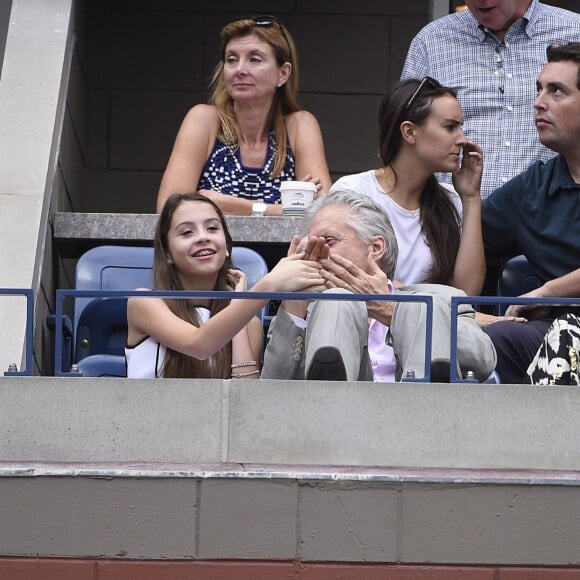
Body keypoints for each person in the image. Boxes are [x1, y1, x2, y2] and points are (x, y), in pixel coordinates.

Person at [261, 190, 496, 383]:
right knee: (337, 302)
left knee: (425, 309)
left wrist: (393, 312)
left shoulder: (444, 297)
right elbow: (269, 394)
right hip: (337, 429)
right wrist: (294, 304)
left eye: (328, 241)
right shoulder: (301, 311)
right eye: (308, 245)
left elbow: (482, 361)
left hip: (418, 423)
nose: (315, 252)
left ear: (375, 248)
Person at [126, 192, 325, 378]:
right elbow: (199, 345)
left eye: (212, 228)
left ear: (227, 246)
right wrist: (268, 285)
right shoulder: (144, 302)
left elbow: (244, 397)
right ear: (168, 253)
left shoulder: (249, 324)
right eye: (187, 232)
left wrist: (237, 305)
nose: (203, 237)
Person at [401, 0, 580, 198]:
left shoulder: (573, 31)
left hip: (554, 220)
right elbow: (404, 142)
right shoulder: (431, 41)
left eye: (555, 90)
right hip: (450, 220)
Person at [156, 15, 331, 216]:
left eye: (254, 60)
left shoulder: (300, 125)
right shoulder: (204, 120)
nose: (239, 69)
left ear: (283, 73)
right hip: (214, 248)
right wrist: (284, 211)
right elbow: (169, 209)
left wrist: (227, 204)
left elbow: (322, 213)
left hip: (286, 248)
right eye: (231, 60)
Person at [481, 42, 580, 384]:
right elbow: (460, 245)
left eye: (556, 91)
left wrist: (547, 292)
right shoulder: (533, 189)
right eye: (540, 88)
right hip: (555, 340)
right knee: (490, 342)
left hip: (563, 335)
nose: (538, 102)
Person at [330, 77, 484, 294]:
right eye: (450, 127)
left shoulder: (451, 200)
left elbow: (466, 295)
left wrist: (471, 198)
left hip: (431, 326)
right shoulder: (353, 192)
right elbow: (343, 278)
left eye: (460, 127)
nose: (462, 139)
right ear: (409, 132)